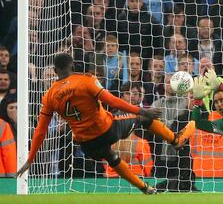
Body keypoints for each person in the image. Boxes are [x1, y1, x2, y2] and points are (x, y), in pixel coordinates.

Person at [16, 53, 194, 194]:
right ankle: (175, 140)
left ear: (55, 71)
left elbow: (40, 130)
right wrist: (142, 110)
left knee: (111, 157)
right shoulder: (86, 80)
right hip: (108, 129)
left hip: (87, 144)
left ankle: (144, 188)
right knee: (145, 120)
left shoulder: (49, 96)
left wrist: (30, 159)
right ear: (73, 66)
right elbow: (114, 101)